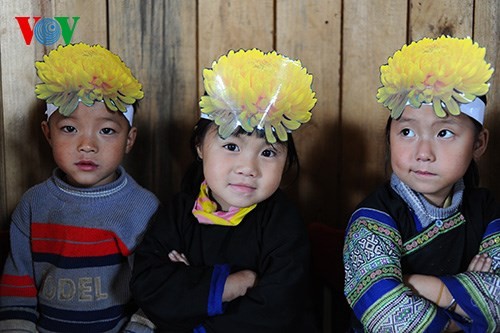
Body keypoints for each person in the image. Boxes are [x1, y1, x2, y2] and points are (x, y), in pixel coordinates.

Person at [130, 48, 317, 332]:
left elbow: (279, 307)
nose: (248, 168)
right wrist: (229, 286)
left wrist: (191, 285)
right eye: (231, 147)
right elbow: (148, 285)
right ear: (199, 148)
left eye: (268, 153)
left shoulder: (283, 224)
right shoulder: (178, 212)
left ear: (286, 160)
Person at [343, 35, 499, 332]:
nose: (423, 154)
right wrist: (464, 304)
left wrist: (410, 283)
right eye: (407, 132)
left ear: (479, 143)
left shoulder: (487, 209)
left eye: (444, 134)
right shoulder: (373, 219)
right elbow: (383, 310)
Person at [0, 43, 159, 332]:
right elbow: (18, 284)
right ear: (48, 133)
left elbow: (156, 288)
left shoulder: (142, 208)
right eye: (69, 129)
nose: (87, 145)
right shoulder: (34, 204)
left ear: (130, 139)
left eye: (107, 130)